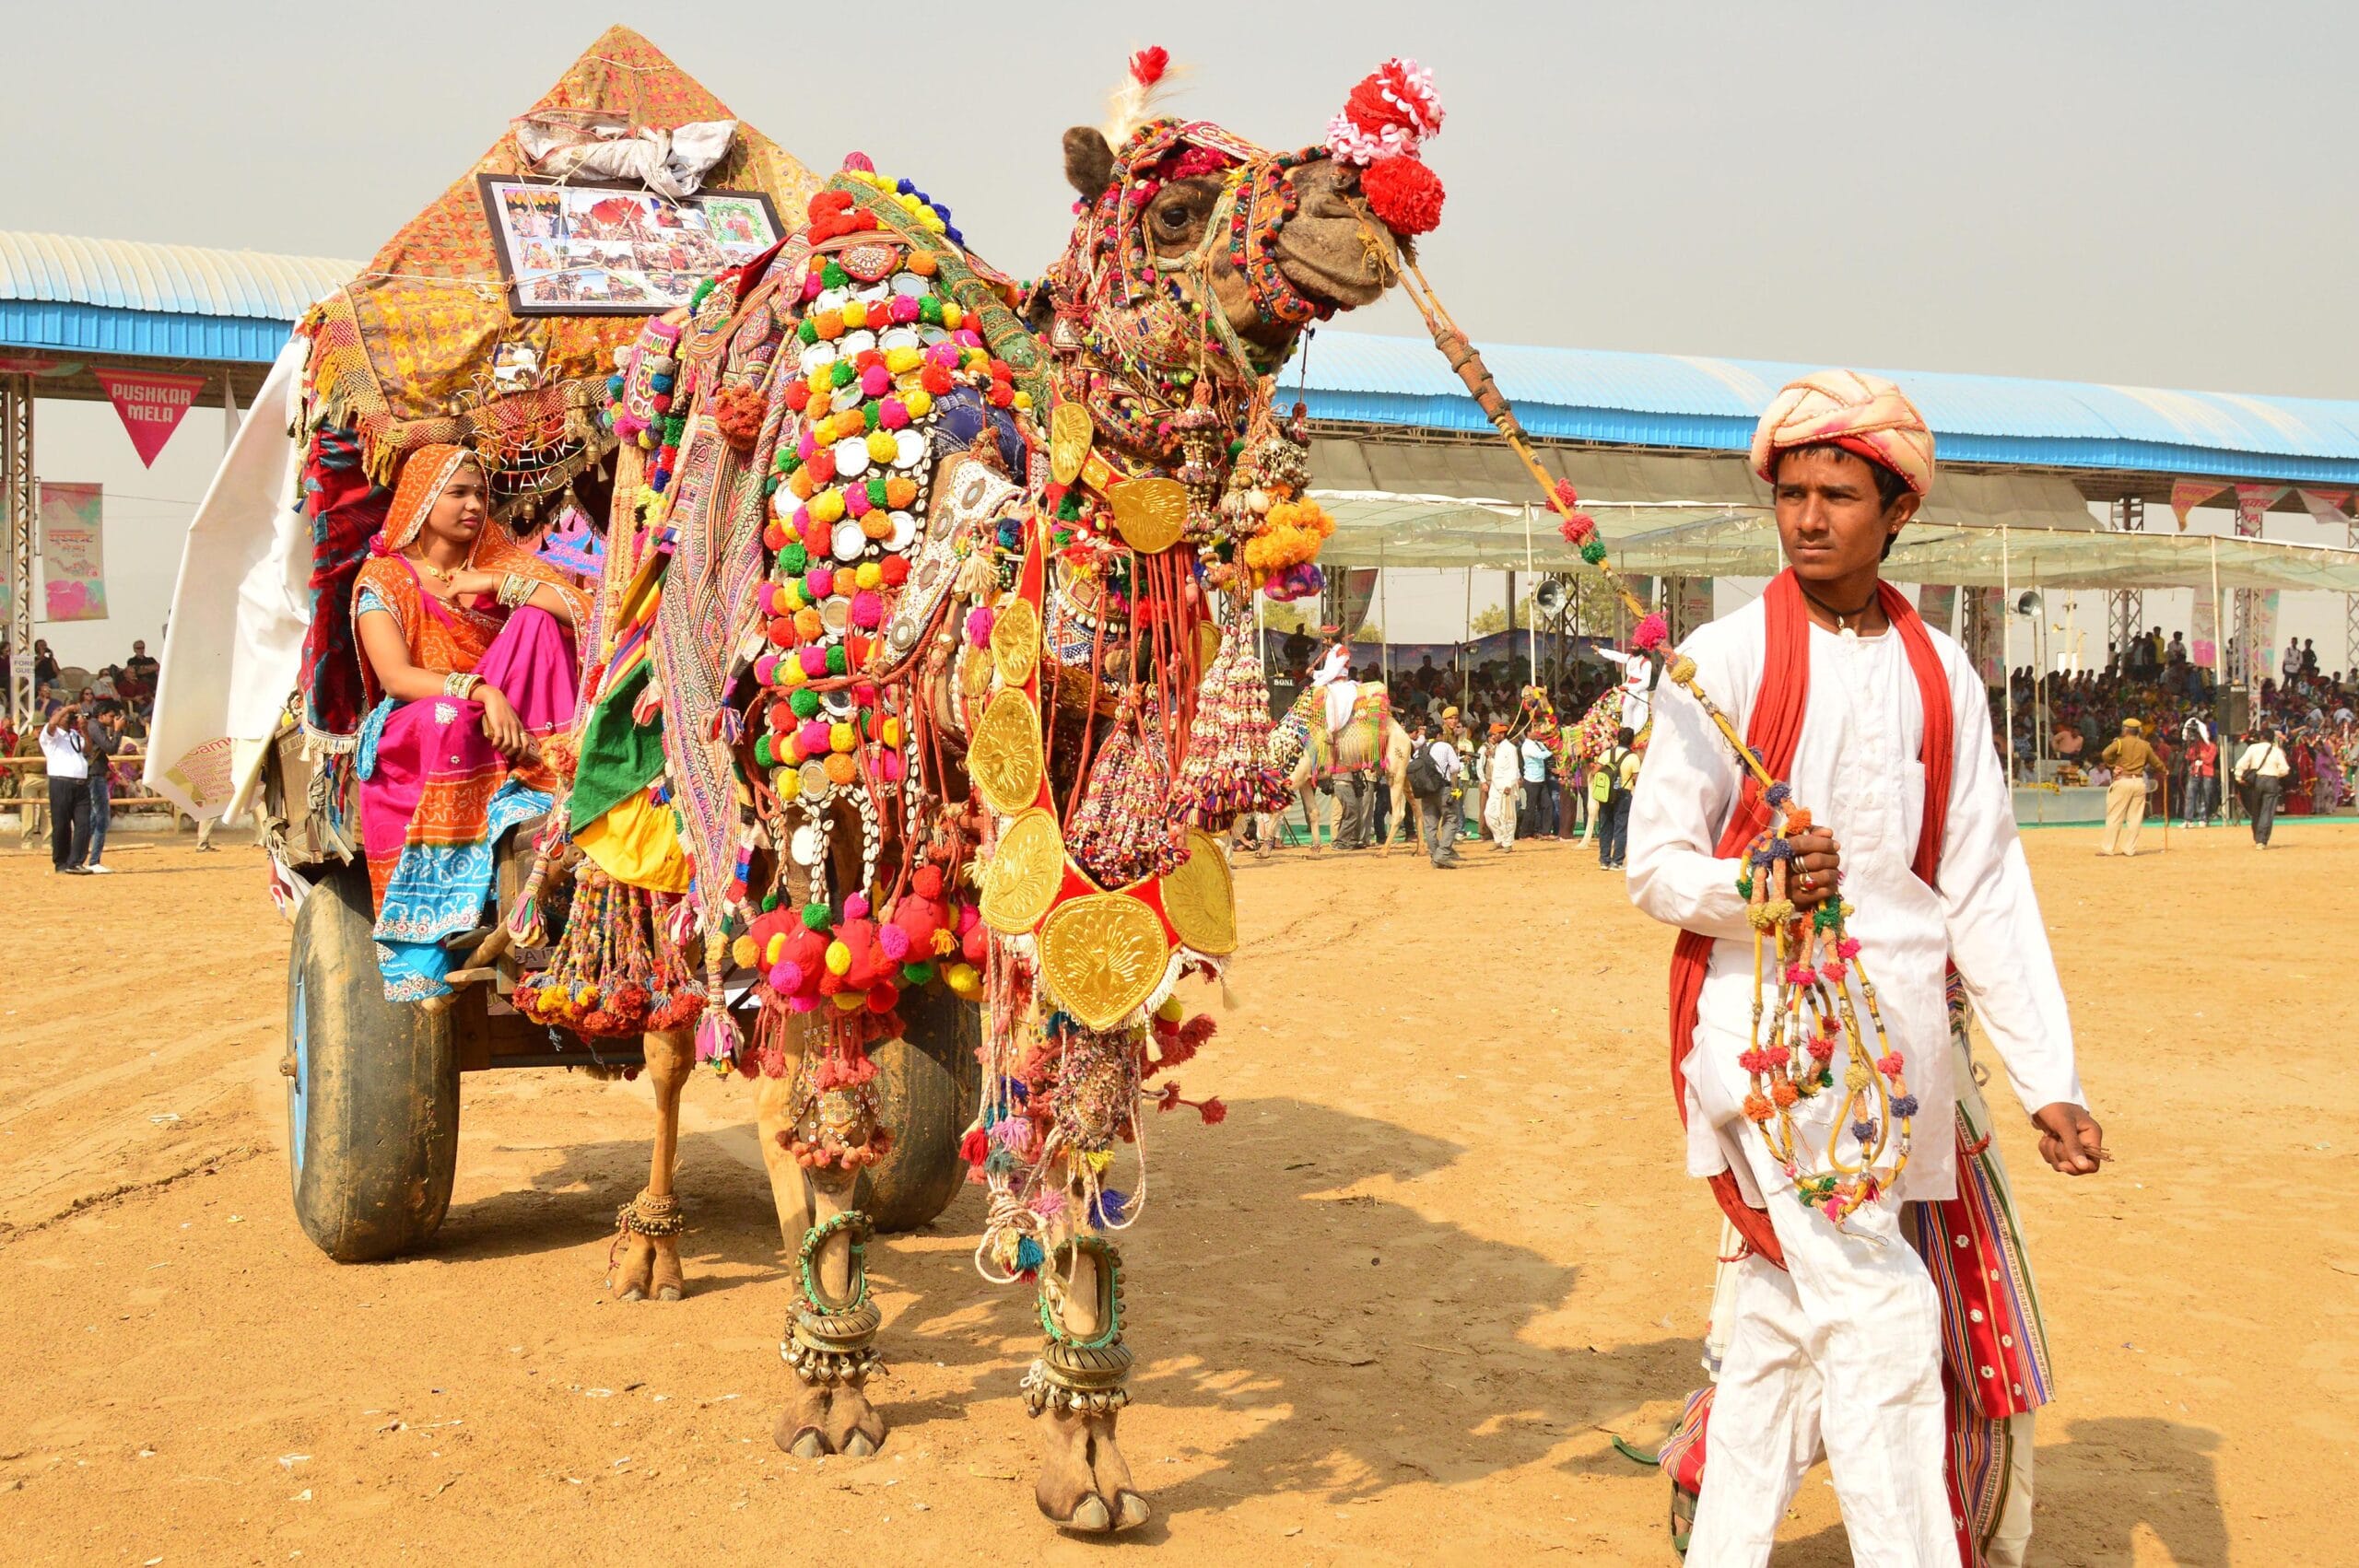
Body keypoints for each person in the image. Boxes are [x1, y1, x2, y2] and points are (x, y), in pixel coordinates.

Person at [1627, 372, 2099, 1568]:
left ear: (1897, 510)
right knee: (1889, 1322)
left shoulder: (1946, 674)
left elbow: (1984, 882)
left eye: (1838, 493)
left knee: (1785, 1339)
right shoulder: (1719, 660)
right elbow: (1654, 867)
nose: (1810, 516)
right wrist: (1760, 888)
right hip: (1769, 1044)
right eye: (1792, 493)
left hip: (1903, 1057)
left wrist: (2049, 1075)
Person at [353, 444, 586, 1000]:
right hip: (424, 715)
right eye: (457, 493)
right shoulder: (385, 577)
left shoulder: (497, 563)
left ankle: (550, 780)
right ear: (423, 499)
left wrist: (496, 587)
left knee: (535, 620)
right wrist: (478, 690)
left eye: (481, 494)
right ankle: (439, 914)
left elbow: (583, 610)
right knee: (450, 715)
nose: (474, 505)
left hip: (509, 718)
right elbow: (396, 677)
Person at [39, 701, 94, 874]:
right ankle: (61, 862)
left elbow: (88, 750)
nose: (66, 716)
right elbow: (53, 724)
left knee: (84, 824)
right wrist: (68, 708)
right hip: (61, 783)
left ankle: (76, 861)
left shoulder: (74, 735)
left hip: (81, 784)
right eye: (60, 712)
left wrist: (84, 730)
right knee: (61, 824)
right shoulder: (50, 735)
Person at [1405, 714, 1463, 869]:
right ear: (1439, 735)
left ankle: (1434, 855)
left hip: (1425, 791)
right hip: (1443, 788)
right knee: (1451, 820)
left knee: (1430, 825)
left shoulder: (1420, 750)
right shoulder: (1445, 746)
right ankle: (1442, 854)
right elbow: (1456, 768)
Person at [78, 699, 126, 873]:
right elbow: (110, 748)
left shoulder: (93, 726)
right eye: (112, 716)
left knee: (92, 818)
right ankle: (94, 860)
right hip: (94, 775)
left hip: (93, 774)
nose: (114, 720)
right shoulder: (95, 727)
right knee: (101, 818)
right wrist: (117, 731)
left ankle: (80, 858)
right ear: (101, 715)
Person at [2096, 717, 2153, 857]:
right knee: (2135, 818)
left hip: (2123, 780)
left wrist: (2113, 765)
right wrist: (2164, 770)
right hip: (2139, 782)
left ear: (2125, 730)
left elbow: (2105, 754)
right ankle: (2129, 849)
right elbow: (2155, 761)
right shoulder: (2145, 745)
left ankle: (2108, 848)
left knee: (2115, 816)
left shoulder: (2120, 742)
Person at [2235, 726, 2290, 849]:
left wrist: (2239, 777)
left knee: (2256, 810)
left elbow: (2241, 764)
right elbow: (2285, 769)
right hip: (2272, 780)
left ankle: (2256, 837)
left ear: (2262, 737)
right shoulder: (2276, 751)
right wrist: (2276, 775)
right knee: (2267, 811)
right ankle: (2262, 840)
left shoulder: (2253, 748)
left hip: (2257, 781)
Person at [1481, 722, 1520, 852]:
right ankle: (1499, 839)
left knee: (1507, 816)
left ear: (1502, 734)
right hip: (1495, 786)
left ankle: (1508, 843)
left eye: (1495, 734)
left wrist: (1510, 785)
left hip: (1505, 786)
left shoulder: (1510, 748)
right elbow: (1497, 766)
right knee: (1489, 814)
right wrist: (1490, 757)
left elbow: (1514, 768)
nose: (1493, 736)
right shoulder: (1497, 748)